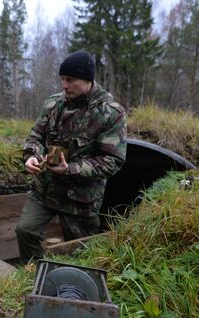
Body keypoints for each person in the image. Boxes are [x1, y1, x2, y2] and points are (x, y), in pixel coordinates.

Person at [15, 50, 127, 264]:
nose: (64, 85)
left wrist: (71, 169)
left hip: (81, 200)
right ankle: (33, 277)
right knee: (25, 230)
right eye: (62, 80)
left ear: (88, 80)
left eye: (70, 80)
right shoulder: (53, 104)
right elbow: (35, 136)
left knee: (82, 255)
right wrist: (32, 155)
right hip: (46, 189)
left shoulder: (111, 113)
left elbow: (112, 161)